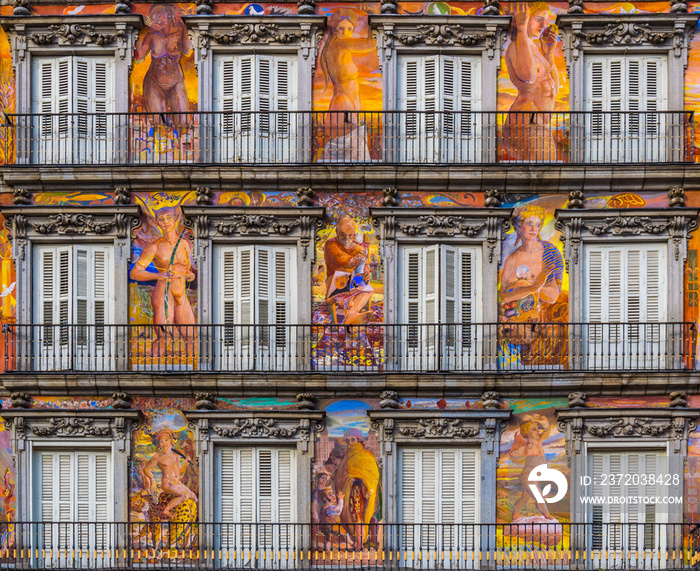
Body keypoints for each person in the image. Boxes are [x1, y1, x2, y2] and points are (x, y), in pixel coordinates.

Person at [129, 207, 196, 355]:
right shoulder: (154, 247)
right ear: (157, 222)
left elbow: (185, 268)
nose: (166, 222)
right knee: (165, 337)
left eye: (169, 218)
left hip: (180, 291)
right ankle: (151, 366)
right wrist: (159, 276)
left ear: (175, 219)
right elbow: (135, 273)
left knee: (191, 336)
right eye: (161, 219)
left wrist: (189, 274)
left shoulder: (185, 244)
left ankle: (196, 370)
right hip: (164, 292)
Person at [499, 206, 563, 348]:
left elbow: (552, 297)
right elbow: (503, 297)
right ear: (519, 226)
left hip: (535, 326)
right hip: (512, 326)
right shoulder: (512, 258)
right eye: (529, 224)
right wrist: (534, 286)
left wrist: (522, 286)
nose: (534, 229)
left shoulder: (551, 253)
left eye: (538, 224)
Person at [502, 3, 559, 161]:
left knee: (547, 173)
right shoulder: (516, 46)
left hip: (536, 121)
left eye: (545, 21)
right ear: (524, 18)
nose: (543, 25)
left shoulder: (533, 47)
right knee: (545, 176)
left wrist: (549, 54)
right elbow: (528, 78)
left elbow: (554, 87)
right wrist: (521, 29)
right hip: (526, 120)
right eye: (539, 19)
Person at [318, 9, 377, 161]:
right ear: (334, 29)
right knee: (353, 160)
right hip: (344, 105)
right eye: (341, 29)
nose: (346, 33)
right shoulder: (342, 44)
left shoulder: (332, 48)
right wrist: (373, 25)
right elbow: (371, 43)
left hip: (342, 104)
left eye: (350, 29)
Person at [135, 4, 192, 115]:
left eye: (160, 14)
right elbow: (139, 58)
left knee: (183, 123)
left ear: (170, 14)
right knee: (158, 124)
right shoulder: (152, 36)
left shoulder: (180, 34)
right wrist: (137, 31)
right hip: (153, 81)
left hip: (175, 80)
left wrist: (186, 26)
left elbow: (187, 51)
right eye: (154, 16)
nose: (157, 18)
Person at [324, 216, 374, 324]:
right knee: (331, 298)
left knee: (368, 290)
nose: (347, 238)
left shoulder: (358, 247)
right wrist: (351, 260)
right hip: (335, 281)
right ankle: (351, 315)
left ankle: (352, 314)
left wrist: (366, 273)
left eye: (350, 235)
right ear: (337, 232)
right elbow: (338, 257)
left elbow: (365, 264)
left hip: (353, 282)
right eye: (343, 234)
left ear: (354, 233)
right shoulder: (330, 244)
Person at [140, 429, 198, 519]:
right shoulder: (157, 457)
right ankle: (166, 510)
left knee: (194, 497)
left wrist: (186, 463)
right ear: (159, 444)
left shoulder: (176, 456)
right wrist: (152, 481)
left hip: (177, 483)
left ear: (171, 441)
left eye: (166, 440)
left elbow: (180, 473)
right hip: (167, 484)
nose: (164, 443)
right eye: (161, 441)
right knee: (184, 495)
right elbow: (146, 469)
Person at [509, 414, 553, 520]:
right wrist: (518, 449)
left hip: (535, 477)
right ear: (526, 433)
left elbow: (546, 428)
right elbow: (513, 455)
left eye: (537, 429)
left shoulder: (539, 441)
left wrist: (539, 418)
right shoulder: (527, 447)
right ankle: (546, 514)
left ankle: (515, 514)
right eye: (534, 429)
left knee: (525, 498)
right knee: (539, 495)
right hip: (527, 477)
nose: (538, 431)